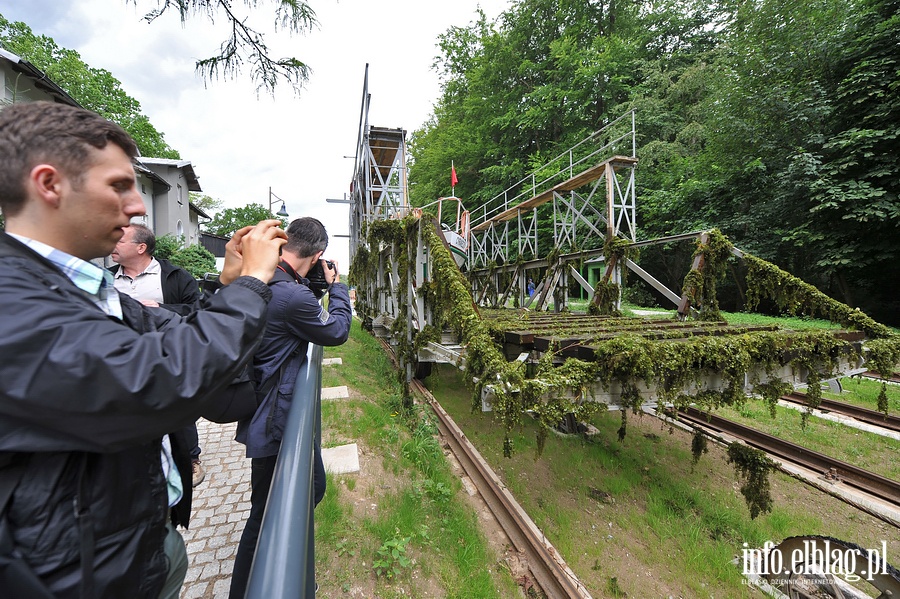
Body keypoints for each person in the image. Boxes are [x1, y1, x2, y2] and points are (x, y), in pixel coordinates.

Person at [0, 100, 287, 599]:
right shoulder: (12, 301)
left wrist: (229, 285)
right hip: (77, 578)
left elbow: (181, 339)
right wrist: (257, 282)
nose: (136, 206)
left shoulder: (86, 290)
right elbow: (157, 380)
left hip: (137, 548)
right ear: (48, 185)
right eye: (118, 186)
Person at [230, 217, 352, 598]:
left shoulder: (266, 280)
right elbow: (335, 331)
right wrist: (338, 288)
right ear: (318, 255)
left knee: (306, 487)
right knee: (264, 515)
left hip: (264, 406)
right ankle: (259, 586)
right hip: (274, 416)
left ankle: (293, 572)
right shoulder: (293, 296)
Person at [110, 223, 208, 487]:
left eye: (120, 241)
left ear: (140, 248)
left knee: (178, 410)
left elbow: (197, 309)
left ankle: (190, 458)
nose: (113, 245)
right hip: (123, 361)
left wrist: (164, 309)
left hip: (166, 356)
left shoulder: (174, 275)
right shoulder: (107, 279)